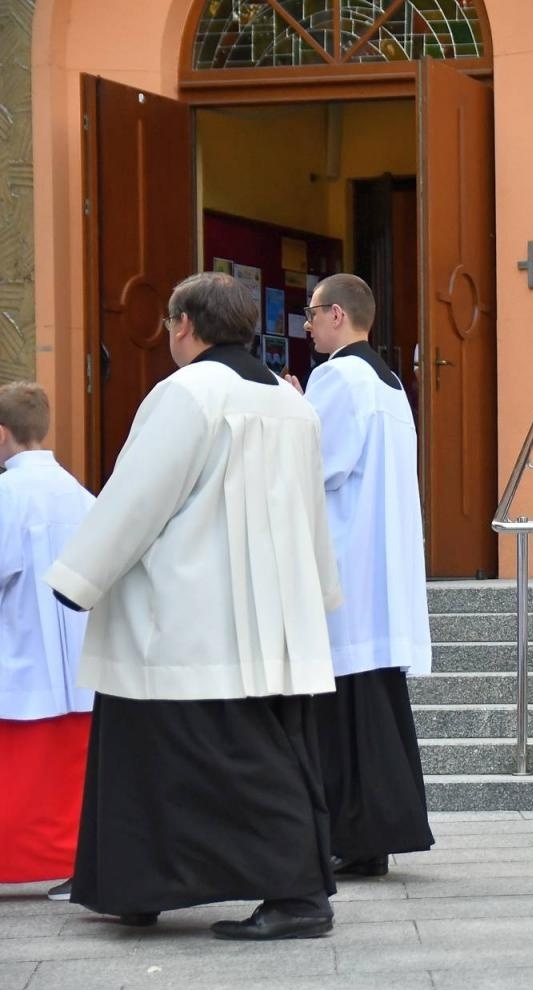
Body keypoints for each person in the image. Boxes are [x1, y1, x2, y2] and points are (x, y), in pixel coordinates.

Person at [46, 271, 343, 940]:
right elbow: (310, 509)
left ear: (184, 325)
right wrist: (318, 589)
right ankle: (135, 885)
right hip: (270, 611)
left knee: (226, 758)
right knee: (208, 750)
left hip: (188, 615)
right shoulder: (292, 404)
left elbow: (139, 496)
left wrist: (79, 575)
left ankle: (298, 895)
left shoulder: (186, 395)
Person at [301, 273, 434, 878]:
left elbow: (315, 463)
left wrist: (290, 411)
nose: (305, 325)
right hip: (381, 562)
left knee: (343, 711)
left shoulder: (337, 377)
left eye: (310, 313)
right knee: (373, 708)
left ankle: (353, 836)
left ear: (335, 315)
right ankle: (373, 834)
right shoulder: (389, 380)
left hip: (347, 563)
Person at [0, 384, 94, 896]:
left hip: (22, 652)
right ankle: (74, 860)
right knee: (71, 776)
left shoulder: (8, 495)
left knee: (17, 777)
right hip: (80, 660)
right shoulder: (80, 493)